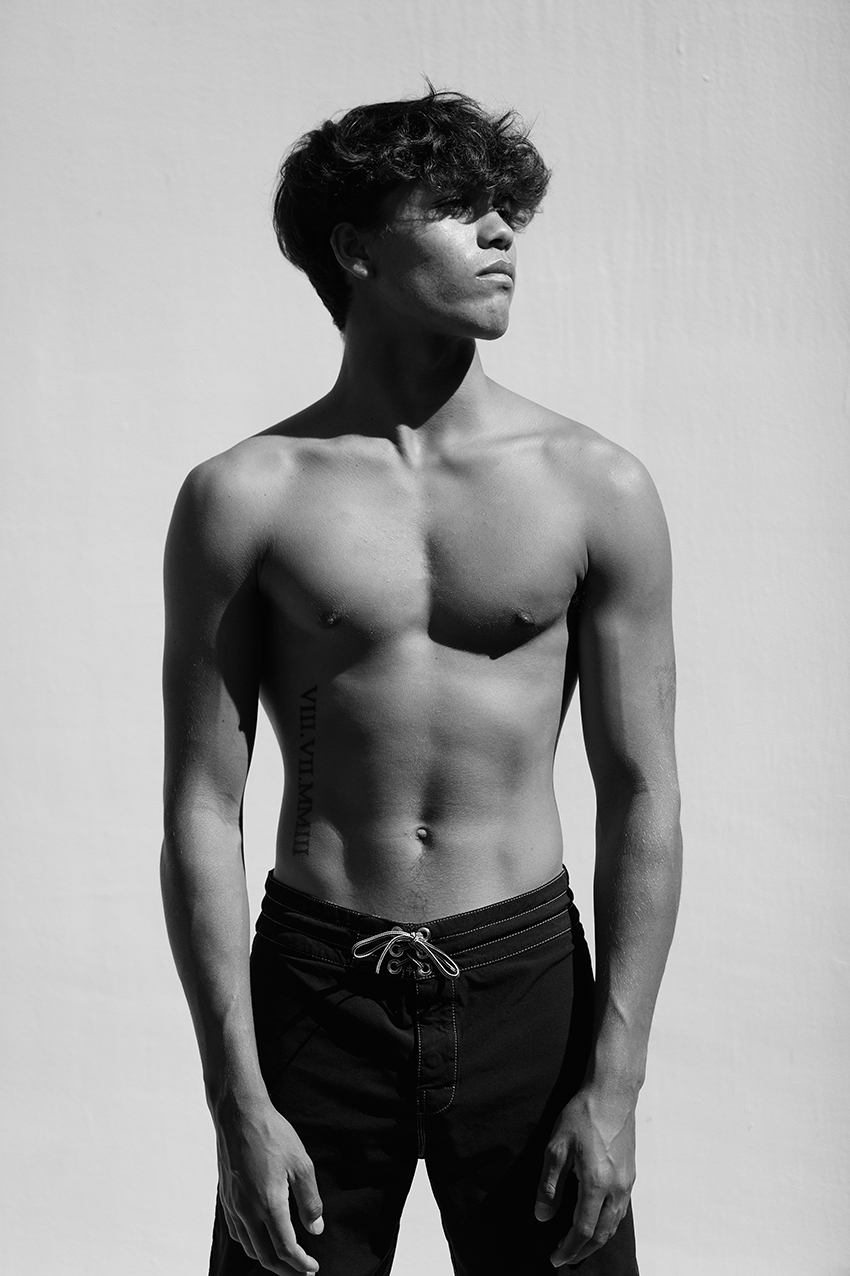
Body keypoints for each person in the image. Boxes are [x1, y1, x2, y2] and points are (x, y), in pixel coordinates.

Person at [161, 89, 681, 1276]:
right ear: (353, 249)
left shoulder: (595, 486)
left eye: (506, 209)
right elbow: (201, 803)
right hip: (315, 986)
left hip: (525, 981)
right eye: (456, 206)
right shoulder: (243, 495)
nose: (500, 233)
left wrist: (615, 1084)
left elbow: (645, 792)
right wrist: (236, 1102)